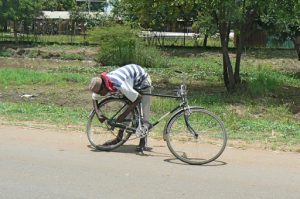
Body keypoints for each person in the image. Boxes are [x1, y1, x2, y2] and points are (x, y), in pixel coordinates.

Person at [88, 64, 152, 152]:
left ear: (104, 86)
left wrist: (123, 115)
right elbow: (94, 98)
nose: (101, 95)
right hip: (129, 81)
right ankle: (119, 138)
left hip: (142, 80)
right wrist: (98, 113)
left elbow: (138, 98)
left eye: (102, 93)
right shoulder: (100, 85)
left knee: (143, 113)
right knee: (127, 107)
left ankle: (143, 141)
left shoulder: (120, 84)